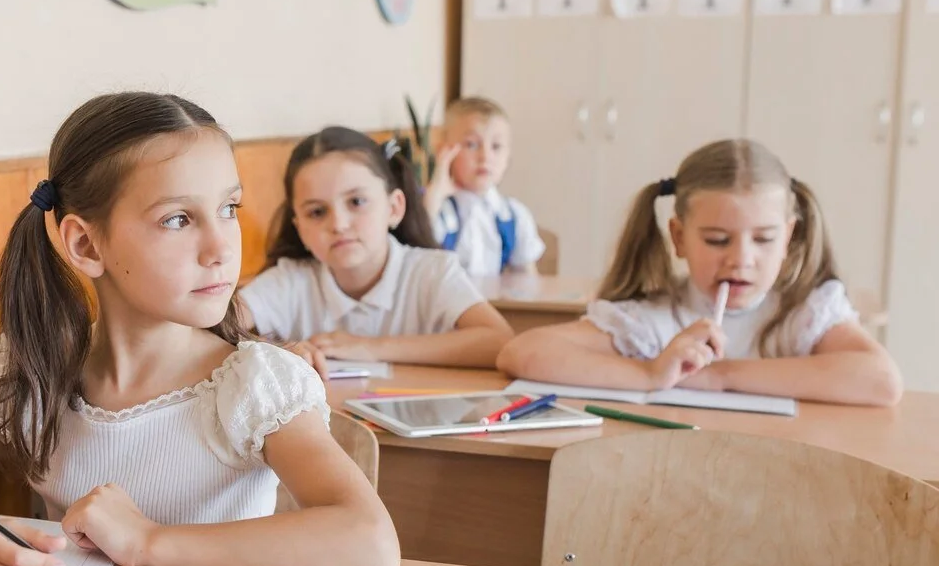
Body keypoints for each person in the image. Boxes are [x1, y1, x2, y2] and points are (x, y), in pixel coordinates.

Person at [0, 93, 400, 566]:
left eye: (228, 209)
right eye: (178, 219)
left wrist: (149, 542)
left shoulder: (255, 385)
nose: (220, 246)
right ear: (85, 244)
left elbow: (369, 543)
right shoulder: (25, 370)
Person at [496, 139, 903, 406]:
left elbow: (881, 381)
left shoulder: (803, 314)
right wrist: (649, 373)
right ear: (678, 237)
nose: (741, 259)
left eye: (763, 239)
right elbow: (521, 353)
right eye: (717, 240)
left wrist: (721, 377)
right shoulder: (652, 320)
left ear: (789, 238)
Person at [239, 125, 513, 369]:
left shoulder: (433, 272)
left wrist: (369, 347)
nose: (339, 224)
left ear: (394, 208)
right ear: (300, 228)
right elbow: (216, 325)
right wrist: (275, 349)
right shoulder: (290, 280)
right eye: (317, 212)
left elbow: (500, 341)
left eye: (356, 202)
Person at [421, 97, 545, 276]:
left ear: (508, 157)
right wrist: (436, 191)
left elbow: (527, 281)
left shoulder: (514, 216)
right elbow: (420, 244)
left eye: (496, 146)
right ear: (444, 151)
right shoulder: (436, 208)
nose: (485, 156)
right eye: (471, 144)